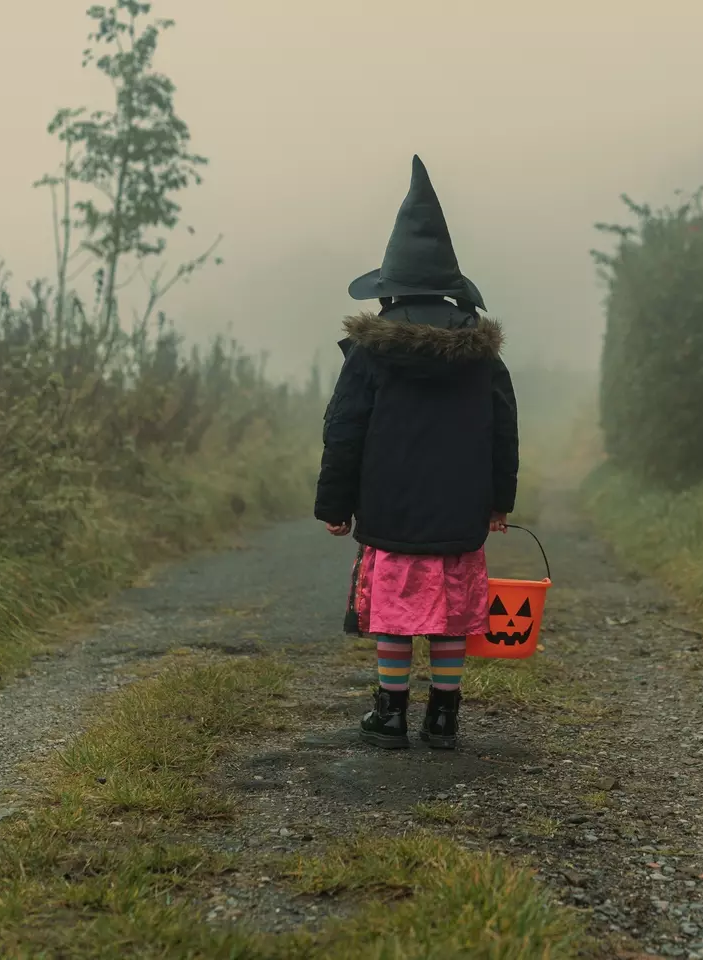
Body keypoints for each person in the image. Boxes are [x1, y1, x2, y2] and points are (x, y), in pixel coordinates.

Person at [315, 155, 519, 751]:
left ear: (390, 288)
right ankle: (444, 718)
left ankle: (392, 713)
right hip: (459, 512)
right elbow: (504, 431)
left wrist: (336, 504)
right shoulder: (483, 356)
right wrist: (498, 500)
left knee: (395, 616)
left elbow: (343, 431)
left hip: (390, 511)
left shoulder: (369, 355)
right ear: (454, 290)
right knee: (452, 617)